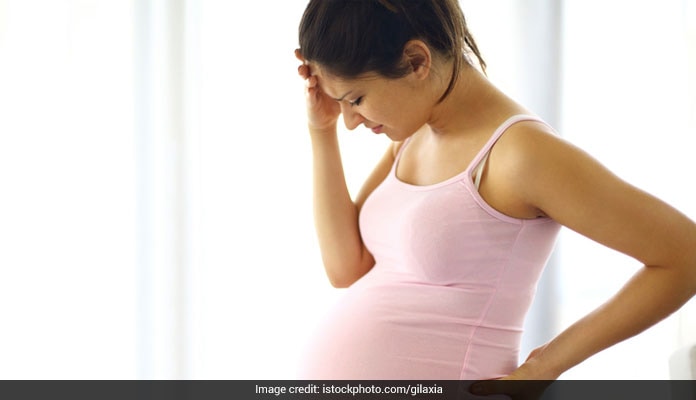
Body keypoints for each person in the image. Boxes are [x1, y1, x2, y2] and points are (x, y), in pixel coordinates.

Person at [294, 0, 696, 385]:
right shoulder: (413, 137)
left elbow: (684, 254)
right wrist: (320, 130)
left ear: (416, 61)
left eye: (356, 100)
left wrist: (546, 366)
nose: (350, 121)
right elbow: (347, 267)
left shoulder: (520, 154)